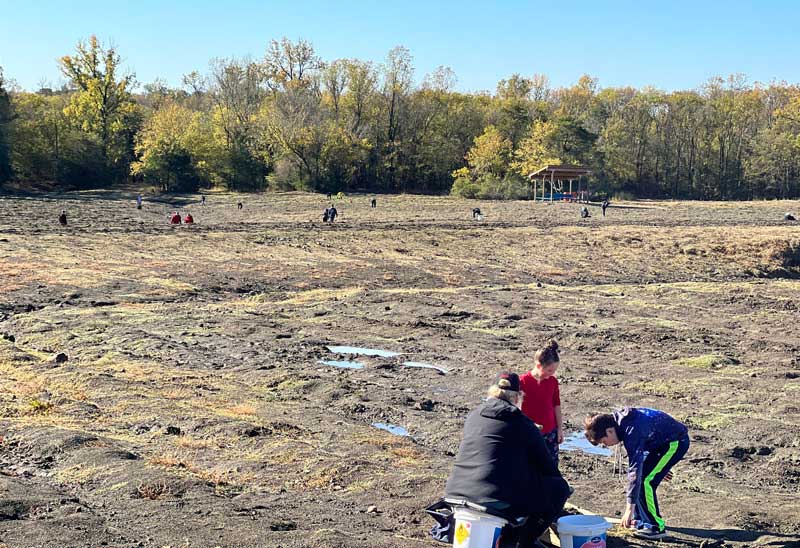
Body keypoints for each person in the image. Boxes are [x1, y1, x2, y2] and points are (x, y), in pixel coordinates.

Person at [445, 372, 571, 548]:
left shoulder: (473, 416)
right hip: (492, 497)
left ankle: (504, 535)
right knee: (559, 488)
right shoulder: (523, 424)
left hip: (455, 492)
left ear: (491, 392)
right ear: (518, 397)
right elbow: (548, 468)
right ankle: (524, 542)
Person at [584, 408, 690, 540]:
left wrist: (629, 510)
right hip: (657, 443)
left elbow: (635, 470)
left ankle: (654, 527)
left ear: (609, 431)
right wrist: (657, 465)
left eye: (604, 442)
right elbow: (643, 446)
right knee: (643, 477)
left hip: (675, 442)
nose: (606, 446)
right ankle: (641, 520)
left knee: (646, 481)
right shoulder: (620, 424)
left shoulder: (631, 430)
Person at [520, 340, 563, 467]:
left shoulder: (552, 382)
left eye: (554, 371)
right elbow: (515, 409)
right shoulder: (522, 382)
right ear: (538, 365)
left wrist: (560, 429)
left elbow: (556, 405)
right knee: (529, 465)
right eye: (549, 370)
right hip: (529, 433)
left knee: (551, 466)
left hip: (550, 433)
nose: (551, 374)